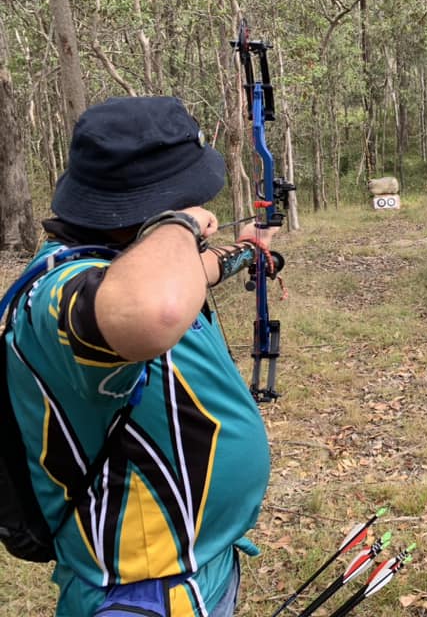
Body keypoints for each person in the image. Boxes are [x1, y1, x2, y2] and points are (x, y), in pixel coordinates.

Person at [4, 96, 276, 616]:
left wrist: (247, 249)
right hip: (139, 595)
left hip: (197, 570)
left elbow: (196, 272)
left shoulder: (124, 263)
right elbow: (156, 308)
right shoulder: (60, 293)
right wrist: (178, 221)